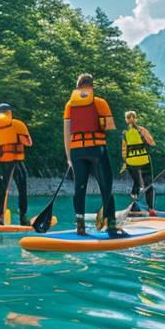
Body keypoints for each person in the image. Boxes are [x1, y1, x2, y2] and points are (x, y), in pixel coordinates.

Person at [63, 74, 124, 237]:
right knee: (106, 186)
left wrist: (69, 157)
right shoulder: (100, 102)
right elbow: (109, 126)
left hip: (77, 151)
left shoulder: (70, 104)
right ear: (91, 86)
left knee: (79, 187)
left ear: (77, 87)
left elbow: (66, 131)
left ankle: (80, 225)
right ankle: (110, 223)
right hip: (96, 149)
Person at [0, 103, 33, 225]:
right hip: (16, 162)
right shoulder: (18, 124)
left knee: (2, 191)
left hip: (2, 163)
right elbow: (29, 143)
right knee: (22, 190)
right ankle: (23, 218)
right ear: (9, 112)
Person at [120, 111, 157, 216]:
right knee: (148, 184)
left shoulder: (125, 133)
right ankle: (151, 209)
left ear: (126, 120)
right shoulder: (142, 130)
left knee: (136, 182)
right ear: (136, 118)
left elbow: (124, 150)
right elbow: (151, 143)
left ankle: (134, 206)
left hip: (131, 161)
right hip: (144, 160)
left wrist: (126, 161)